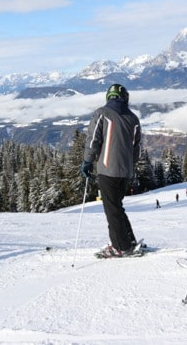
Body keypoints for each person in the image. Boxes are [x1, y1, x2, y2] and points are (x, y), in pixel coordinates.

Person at [81, 84, 141, 258]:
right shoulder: (133, 119)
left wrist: (87, 162)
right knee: (117, 206)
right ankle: (128, 241)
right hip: (126, 171)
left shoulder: (102, 114)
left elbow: (93, 140)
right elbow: (136, 148)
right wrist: (130, 165)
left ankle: (119, 247)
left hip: (107, 169)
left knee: (112, 209)